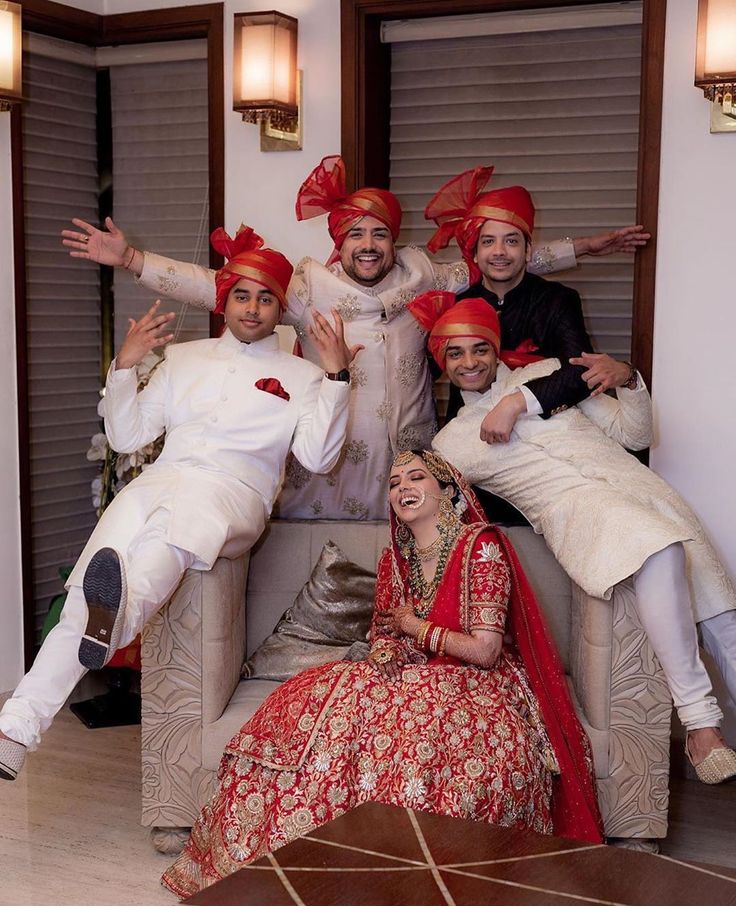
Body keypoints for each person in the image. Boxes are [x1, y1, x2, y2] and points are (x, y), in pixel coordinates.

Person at [61, 156, 648, 521]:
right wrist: (134, 260)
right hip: (333, 451)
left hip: (412, 442)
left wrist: (587, 248)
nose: (368, 245)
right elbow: (223, 285)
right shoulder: (306, 286)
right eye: (355, 235)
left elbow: (503, 260)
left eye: (380, 234)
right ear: (338, 243)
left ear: (394, 240)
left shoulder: (426, 273)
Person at [160, 449, 602, 898]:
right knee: (318, 705)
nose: (402, 488)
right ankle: (301, 864)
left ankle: (399, 882)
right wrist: (389, 650)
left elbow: (485, 650)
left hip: (475, 682)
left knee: (415, 742)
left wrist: (414, 628)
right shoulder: (396, 558)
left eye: (416, 478)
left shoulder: (480, 547)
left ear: (448, 492)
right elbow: (382, 630)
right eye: (393, 483)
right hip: (412, 672)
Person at [0, 225, 356, 781]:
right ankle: (15, 731)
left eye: (266, 298)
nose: (253, 307)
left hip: (233, 494)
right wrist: (124, 366)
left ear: (279, 308)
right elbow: (127, 435)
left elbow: (319, 456)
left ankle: (112, 619)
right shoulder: (183, 359)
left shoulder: (304, 375)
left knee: (162, 549)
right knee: (84, 600)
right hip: (161, 481)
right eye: (242, 294)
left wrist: (337, 378)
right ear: (226, 299)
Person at [417, 294, 736, 784]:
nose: (469, 362)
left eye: (479, 348)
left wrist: (627, 378)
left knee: (728, 634)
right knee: (659, 547)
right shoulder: (450, 443)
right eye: (454, 354)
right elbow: (446, 512)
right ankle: (700, 724)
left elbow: (635, 433)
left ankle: (702, 728)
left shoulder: (544, 376)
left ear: (496, 348)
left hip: (651, 499)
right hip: (583, 518)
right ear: (442, 363)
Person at [424, 165, 639, 440]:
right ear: (474, 253)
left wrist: (515, 403)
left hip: (547, 434)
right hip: (469, 435)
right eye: (488, 241)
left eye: (511, 241)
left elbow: (578, 372)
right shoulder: (455, 305)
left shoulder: (557, 300)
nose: (499, 252)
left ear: (527, 251)